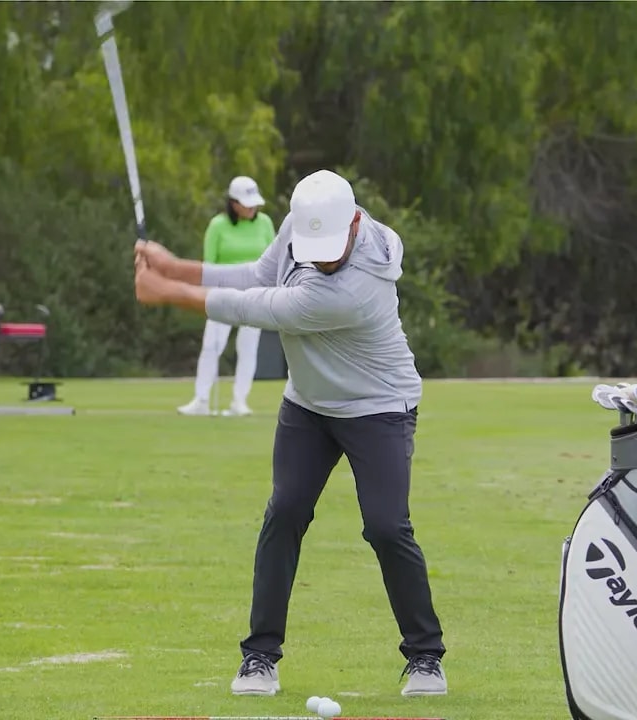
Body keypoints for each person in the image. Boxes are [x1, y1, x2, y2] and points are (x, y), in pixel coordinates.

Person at [133, 169, 448, 697]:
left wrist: (167, 291)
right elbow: (257, 274)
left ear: (355, 222)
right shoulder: (304, 226)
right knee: (284, 514)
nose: (321, 257)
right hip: (309, 405)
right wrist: (176, 266)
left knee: (387, 527)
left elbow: (256, 306)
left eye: (331, 246)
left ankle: (426, 657)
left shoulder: (354, 288)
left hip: (378, 407)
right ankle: (259, 658)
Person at [176, 175, 274, 417]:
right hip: (222, 293)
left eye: (253, 203)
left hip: (255, 294)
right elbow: (209, 264)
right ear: (233, 203)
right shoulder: (217, 225)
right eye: (246, 203)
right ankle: (201, 400)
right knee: (212, 346)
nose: (251, 208)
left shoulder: (265, 223)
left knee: (248, 348)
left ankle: (239, 401)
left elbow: (273, 259)